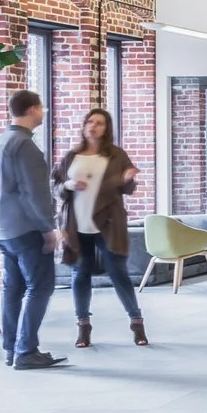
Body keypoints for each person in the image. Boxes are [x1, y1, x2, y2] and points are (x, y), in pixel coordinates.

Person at [55, 107, 147, 349]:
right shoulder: (71, 156)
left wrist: (127, 179)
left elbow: (127, 190)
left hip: (108, 223)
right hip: (77, 224)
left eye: (100, 123)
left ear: (107, 129)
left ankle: (136, 321)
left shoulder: (116, 155)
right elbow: (56, 187)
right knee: (80, 274)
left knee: (118, 273)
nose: (94, 126)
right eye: (90, 121)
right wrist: (70, 184)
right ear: (84, 125)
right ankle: (83, 326)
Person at [0, 90, 65, 370]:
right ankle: (26, 350)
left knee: (13, 289)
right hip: (26, 228)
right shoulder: (26, 146)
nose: (43, 113)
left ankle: (11, 348)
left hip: (2, 228)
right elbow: (35, 193)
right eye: (41, 108)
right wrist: (48, 228)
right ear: (32, 110)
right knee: (40, 287)